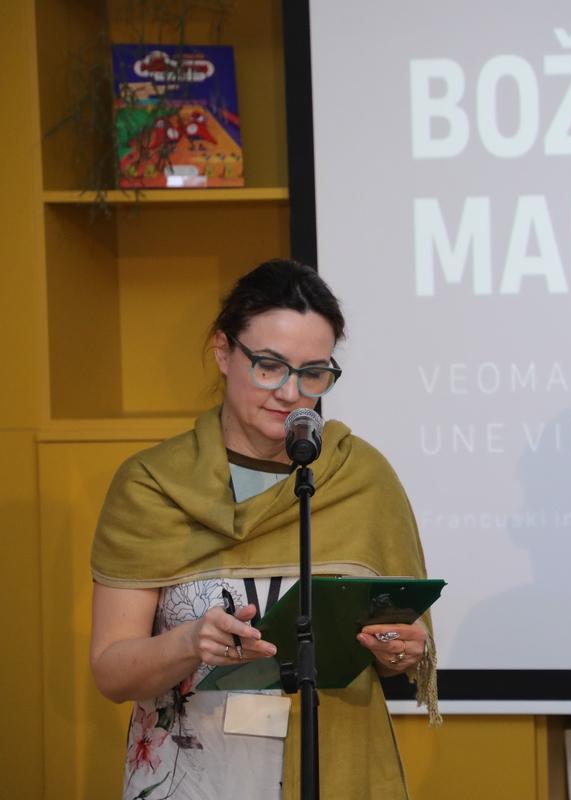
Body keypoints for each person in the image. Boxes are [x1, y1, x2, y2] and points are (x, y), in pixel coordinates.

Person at [90, 259, 438, 800]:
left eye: (313, 373)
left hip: (337, 770)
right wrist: (189, 643)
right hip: (195, 779)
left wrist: (398, 651)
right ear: (223, 351)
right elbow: (112, 672)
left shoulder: (361, 478)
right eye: (270, 366)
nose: (291, 392)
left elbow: (400, 647)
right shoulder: (152, 485)